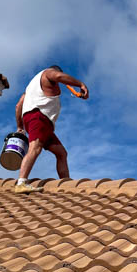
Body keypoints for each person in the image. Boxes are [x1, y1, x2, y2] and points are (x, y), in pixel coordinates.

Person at [14, 65, 89, 193]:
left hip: (44, 124)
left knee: (61, 153)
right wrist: (81, 84)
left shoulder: (29, 89)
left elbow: (18, 105)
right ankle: (21, 183)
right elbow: (58, 76)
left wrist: (20, 126)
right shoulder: (49, 73)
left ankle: (66, 184)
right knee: (35, 148)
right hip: (39, 118)